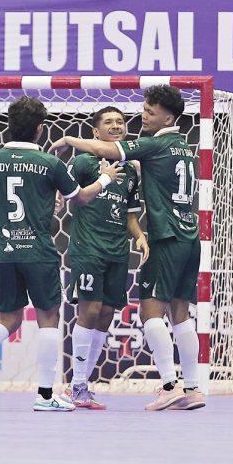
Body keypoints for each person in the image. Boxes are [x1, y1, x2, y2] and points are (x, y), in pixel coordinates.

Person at [0, 96, 124, 411]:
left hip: (4, 252)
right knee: (48, 318)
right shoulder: (49, 163)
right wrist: (105, 178)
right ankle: (45, 396)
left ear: (10, 125)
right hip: (39, 252)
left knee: (9, 319)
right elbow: (81, 198)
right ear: (40, 129)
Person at [50, 85, 205, 411]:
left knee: (151, 312)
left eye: (149, 112)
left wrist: (68, 139)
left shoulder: (152, 148)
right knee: (179, 313)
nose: (142, 116)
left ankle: (169, 386)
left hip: (166, 238)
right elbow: (70, 191)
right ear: (96, 128)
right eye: (144, 110)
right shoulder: (183, 148)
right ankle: (192, 387)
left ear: (168, 118)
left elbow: (108, 151)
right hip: (188, 238)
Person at [61, 107, 149, 410]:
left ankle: (82, 385)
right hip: (88, 248)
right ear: (96, 132)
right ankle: (77, 385)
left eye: (120, 122)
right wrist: (102, 179)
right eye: (108, 122)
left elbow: (130, 214)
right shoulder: (83, 162)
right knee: (90, 309)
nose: (116, 125)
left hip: (117, 251)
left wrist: (139, 236)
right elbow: (69, 194)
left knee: (107, 313)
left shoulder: (131, 170)